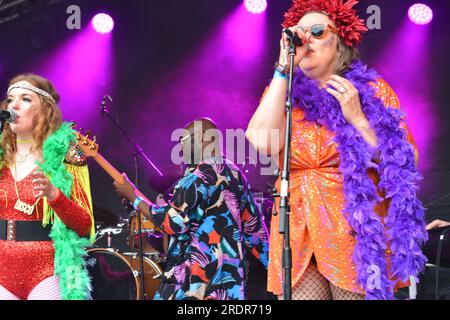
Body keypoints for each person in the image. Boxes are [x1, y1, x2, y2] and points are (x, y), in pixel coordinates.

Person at [246, 0, 427, 300]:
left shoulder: (372, 90)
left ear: (340, 40)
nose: (306, 40)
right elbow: (262, 142)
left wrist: (357, 118)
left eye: (316, 32)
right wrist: (282, 68)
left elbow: (407, 161)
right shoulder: (281, 93)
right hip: (297, 224)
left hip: (353, 226)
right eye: (299, 34)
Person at [114, 117, 269, 300]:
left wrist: (133, 196)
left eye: (184, 140)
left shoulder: (198, 174)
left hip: (195, 283)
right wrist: (277, 274)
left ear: (205, 138)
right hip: (229, 285)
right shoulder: (235, 174)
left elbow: (172, 222)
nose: (180, 148)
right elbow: (256, 233)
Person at [0, 74, 95, 300]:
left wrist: (55, 195)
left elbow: (85, 226)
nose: (14, 105)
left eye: (25, 99)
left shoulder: (67, 155)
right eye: (10, 99)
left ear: (44, 109)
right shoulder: (1, 158)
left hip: (48, 271)